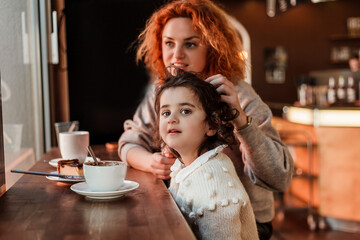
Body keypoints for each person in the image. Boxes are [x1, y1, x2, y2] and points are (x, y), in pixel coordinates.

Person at [118, 1, 294, 239]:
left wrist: (241, 121)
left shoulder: (238, 95)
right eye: (169, 43)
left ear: (212, 47)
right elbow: (128, 142)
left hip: (244, 221)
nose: (176, 55)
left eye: (190, 44)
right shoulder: (163, 92)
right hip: (188, 209)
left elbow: (279, 177)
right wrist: (151, 162)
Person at [155, 69, 259, 240]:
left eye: (185, 111)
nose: (171, 119)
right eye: (166, 112)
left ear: (211, 126)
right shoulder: (184, 165)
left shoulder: (214, 186)